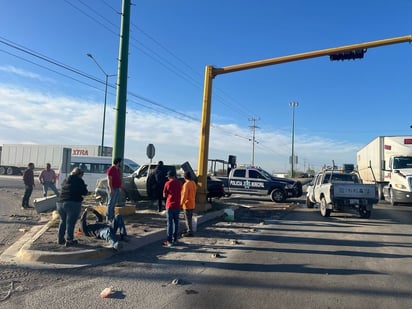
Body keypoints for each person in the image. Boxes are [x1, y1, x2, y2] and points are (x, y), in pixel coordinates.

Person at [57, 167, 88, 247]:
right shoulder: (79, 180)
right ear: (79, 174)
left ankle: (60, 238)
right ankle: (69, 240)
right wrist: (84, 186)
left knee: (63, 221)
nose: (82, 176)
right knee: (70, 222)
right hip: (72, 203)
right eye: (82, 174)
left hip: (60, 203)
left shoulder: (66, 180)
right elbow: (84, 192)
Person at [163, 169, 182, 247]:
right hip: (177, 205)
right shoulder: (180, 183)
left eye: (168, 176)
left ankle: (169, 241)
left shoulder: (167, 183)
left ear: (170, 176)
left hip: (170, 205)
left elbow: (164, 195)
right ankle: (175, 239)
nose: (167, 178)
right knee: (176, 223)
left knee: (170, 223)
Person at [106, 157, 122, 223]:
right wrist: (111, 189)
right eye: (121, 162)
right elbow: (109, 180)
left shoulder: (118, 170)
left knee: (114, 204)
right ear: (118, 162)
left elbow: (118, 179)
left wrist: (120, 187)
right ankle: (109, 218)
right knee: (110, 204)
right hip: (112, 188)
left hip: (117, 188)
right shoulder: (111, 169)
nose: (121, 163)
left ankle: (112, 217)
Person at [181, 171, 197, 237]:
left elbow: (184, 195)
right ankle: (188, 229)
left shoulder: (186, 184)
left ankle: (189, 231)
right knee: (189, 218)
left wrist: (181, 203)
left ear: (185, 177)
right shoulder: (193, 183)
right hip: (192, 203)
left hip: (187, 204)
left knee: (187, 219)